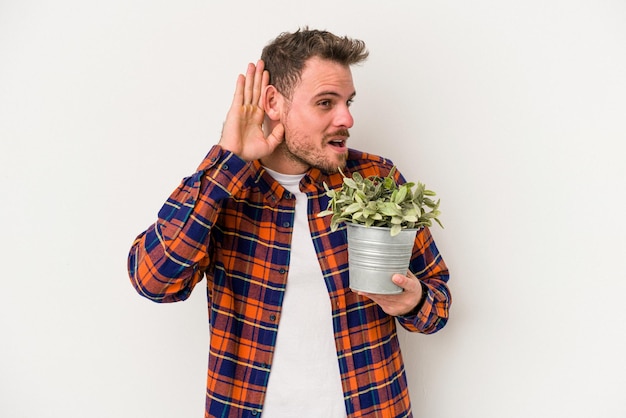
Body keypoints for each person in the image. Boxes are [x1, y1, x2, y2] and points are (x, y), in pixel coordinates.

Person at [128, 28, 451, 418]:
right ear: (273, 103)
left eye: (348, 101)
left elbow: (438, 301)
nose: (346, 117)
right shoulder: (225, 191)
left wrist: (413, 301)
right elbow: (154, 281)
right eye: (325, 102)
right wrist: (226, 162)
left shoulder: (376, 179)